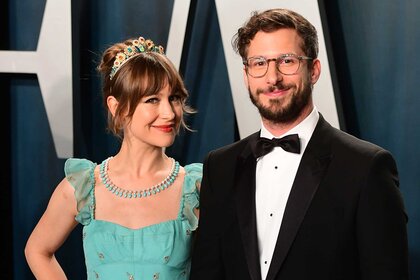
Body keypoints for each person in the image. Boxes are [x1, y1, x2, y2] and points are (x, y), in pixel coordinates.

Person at [190, 8, 409, 280]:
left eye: (287, 61)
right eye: (259, 63)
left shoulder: (366, 167)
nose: (273, 78)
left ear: (313, 70)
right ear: (246, 75)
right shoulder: (219, 166)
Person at [24, 35, 202, 279]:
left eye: (174, 98)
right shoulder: (84, 186)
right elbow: (37, 249)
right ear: (117, 107)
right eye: (152, 100)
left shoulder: (196, 189)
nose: (169, 112)